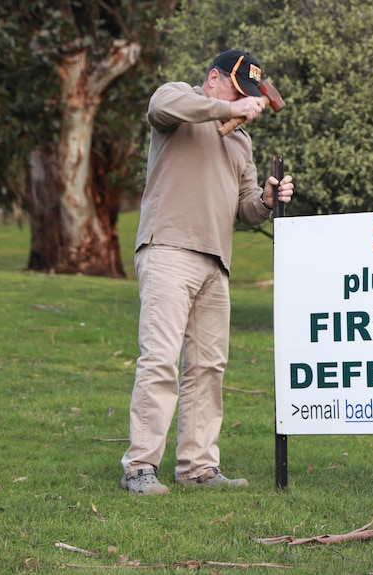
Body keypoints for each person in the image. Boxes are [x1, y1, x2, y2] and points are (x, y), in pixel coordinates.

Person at [121, 49, 293, 495]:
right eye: (241, 92)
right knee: (159, 361)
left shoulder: (240, 142)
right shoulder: (178, 103)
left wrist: (269, 201)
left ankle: (198, 468)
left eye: (251, 96)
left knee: (208, 368)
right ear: (214, 79)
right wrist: (229, 107)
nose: (248, 103)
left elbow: (245, 207)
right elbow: (160, 106)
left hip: (216, 261)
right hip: (169, 249)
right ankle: (140, 467)